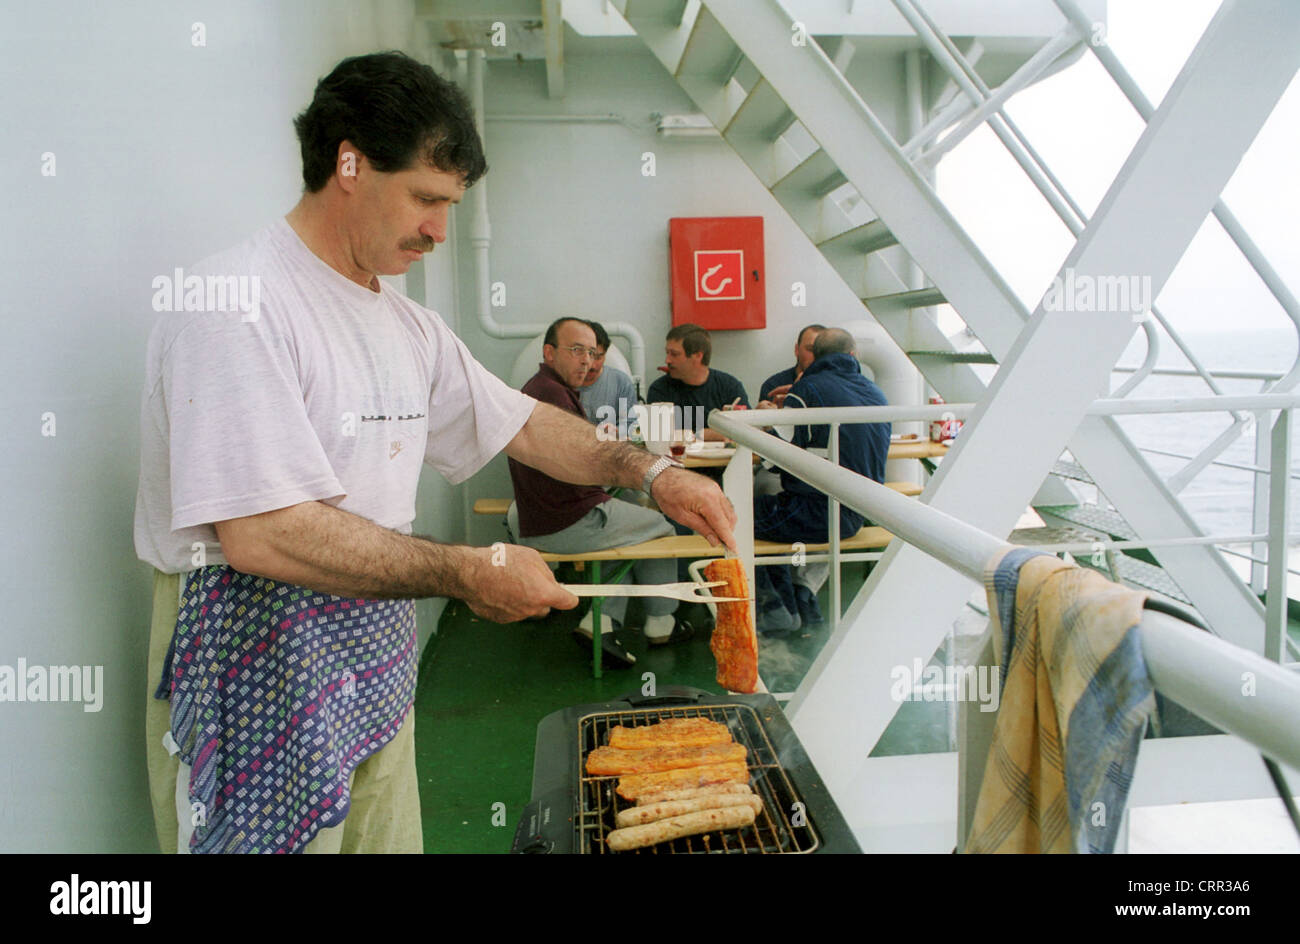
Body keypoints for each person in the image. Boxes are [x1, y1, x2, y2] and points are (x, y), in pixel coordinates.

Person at [132, 52, 735, 855]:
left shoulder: (407, 326)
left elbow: (523, 423)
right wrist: (463, 571)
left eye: (451, 205)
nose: (439, 230)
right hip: (257, 658)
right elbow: (264, 534)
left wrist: (650, 474)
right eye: (425, 198)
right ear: (347, 162)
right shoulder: (238, 303)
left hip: (374, 653)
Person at [508, 319, 693, 667]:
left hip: (547, 518)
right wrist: (646, 471)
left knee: (623, 529)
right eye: (576, 350)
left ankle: (602, 622)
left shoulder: (541, 388)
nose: (587, 361)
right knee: (662, 526)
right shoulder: (552, 394)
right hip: (565, 523)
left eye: (592, 353)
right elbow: (586, 461)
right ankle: (660, 621)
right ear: (549, 352)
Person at [752, 327, 889, 633]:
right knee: (772, 510)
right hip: (861, 513)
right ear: (853, 356)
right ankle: (803, 593)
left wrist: (764, 420)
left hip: (817, 514)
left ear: (813, 355)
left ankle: (778, 608)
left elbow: (773, 459)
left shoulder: (808, 389)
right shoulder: (877, 395)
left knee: (735, 515)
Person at [646, 323, 749, 442]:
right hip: (677, 459)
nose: (667, 360)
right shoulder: (660, 389)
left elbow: (745, 432)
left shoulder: (729, 387)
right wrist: (707, 434)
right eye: (667, 353)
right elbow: (659, 437)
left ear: (698, 356)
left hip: (725, 459)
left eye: (674, 354)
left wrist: (690, 435)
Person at [579, 320, 637, 441]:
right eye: (589, 356)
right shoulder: (562, 382)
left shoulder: (621, 382)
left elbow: (632, 426)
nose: (593, 365)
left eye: (598, 357)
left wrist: (617, 432)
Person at [758, 324, 825, 407]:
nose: (816, 355)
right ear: (797, 350)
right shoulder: (774, 385)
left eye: (822, 351)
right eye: (810, 349)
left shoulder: (836, 385)